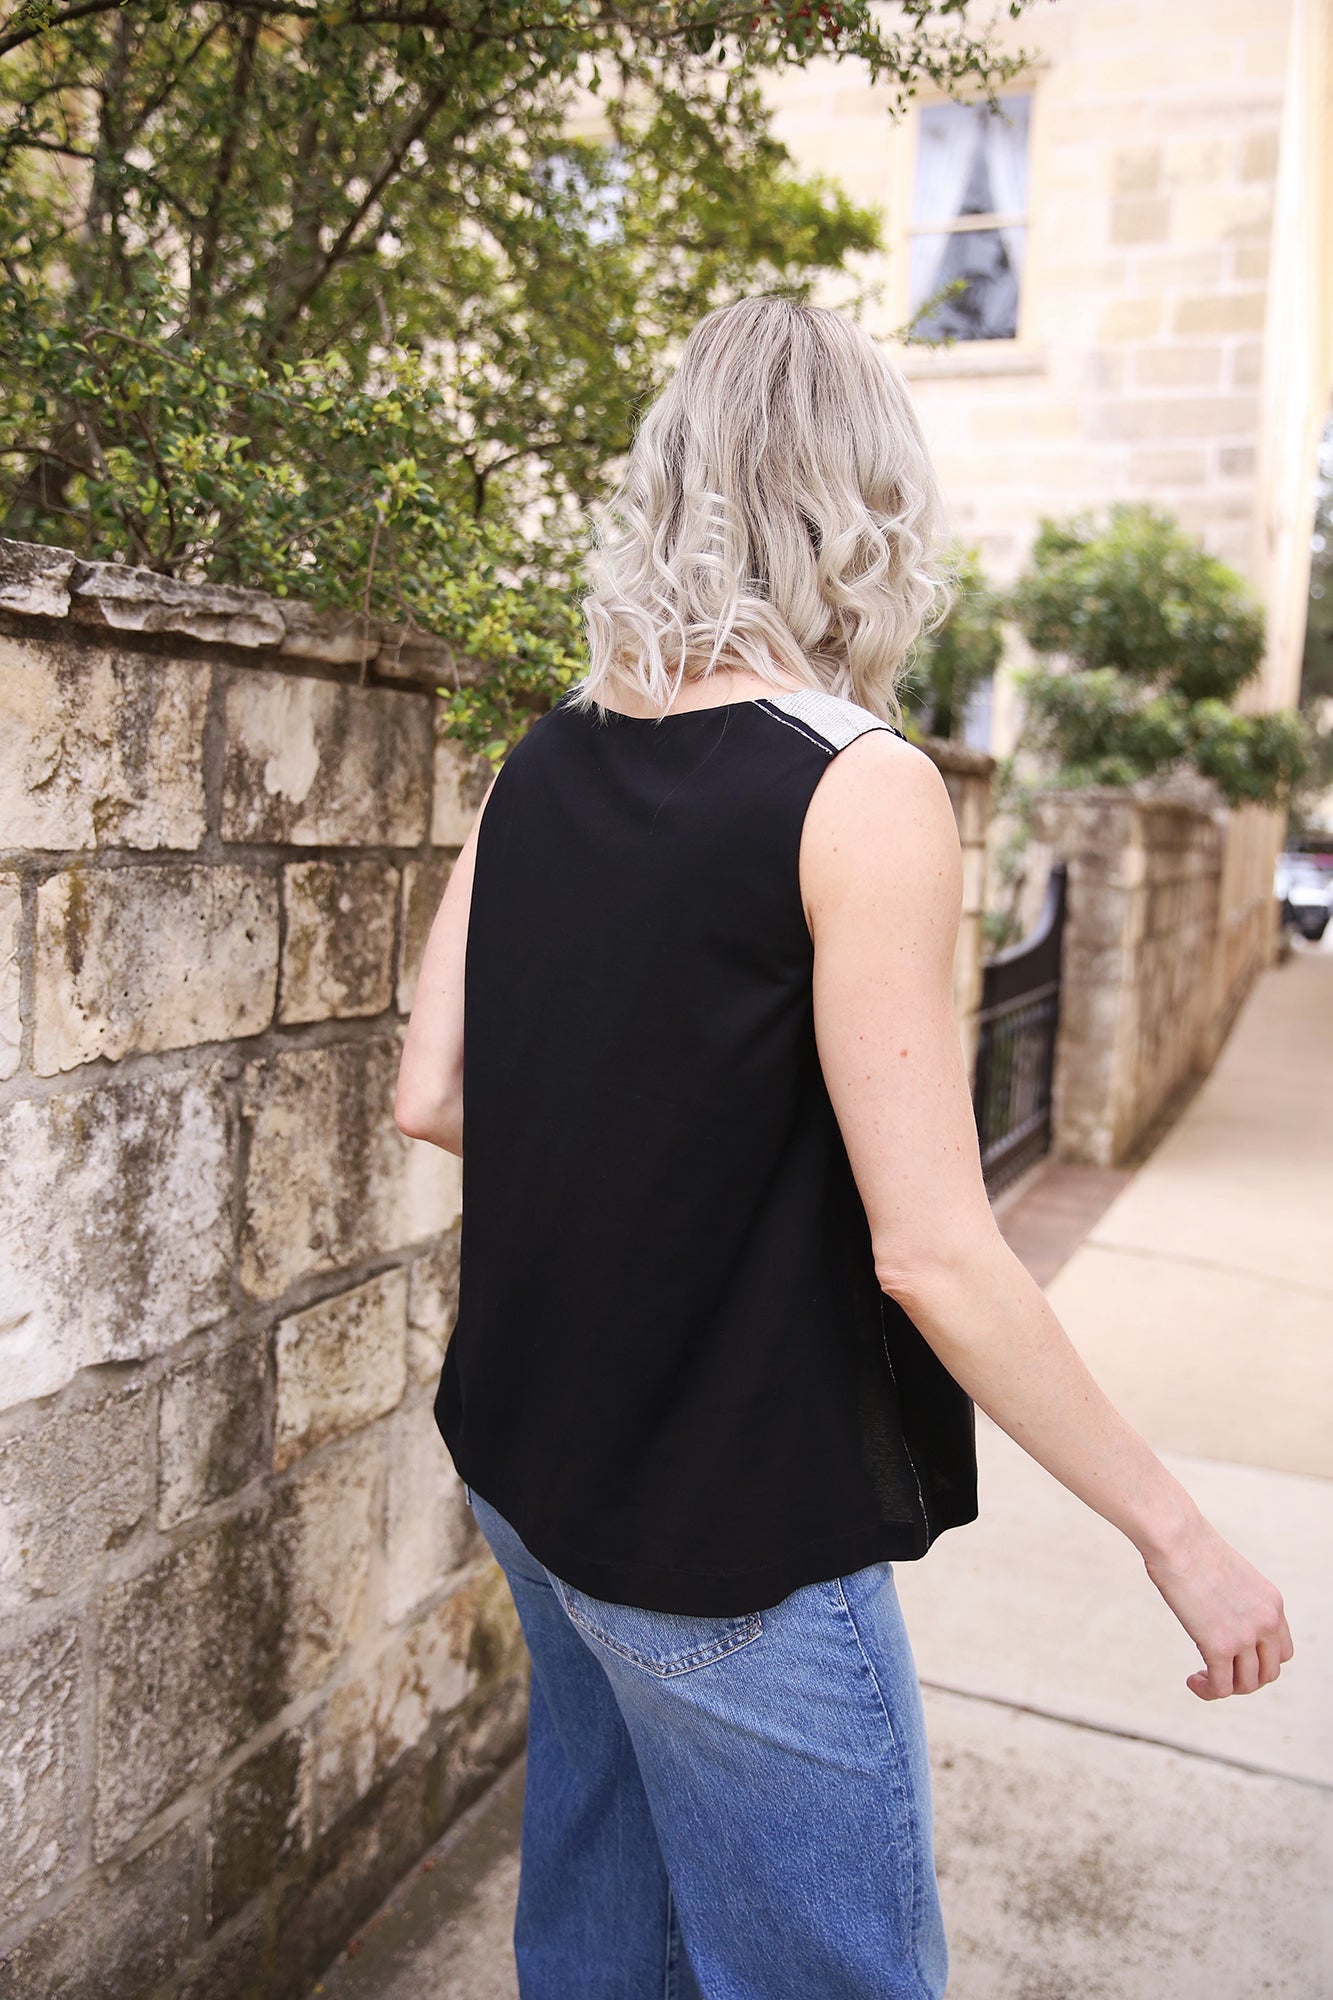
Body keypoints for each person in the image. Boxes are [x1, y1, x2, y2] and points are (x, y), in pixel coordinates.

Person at [395, 295, 1292, 2000]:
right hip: (727, 1530)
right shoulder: (858, 785)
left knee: (599, 1936)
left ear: (670, 488)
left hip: (527, 1466)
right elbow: (932, 1250)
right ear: (864, 506)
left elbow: (431, 1091)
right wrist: (1175, 1532)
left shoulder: (540, 759)